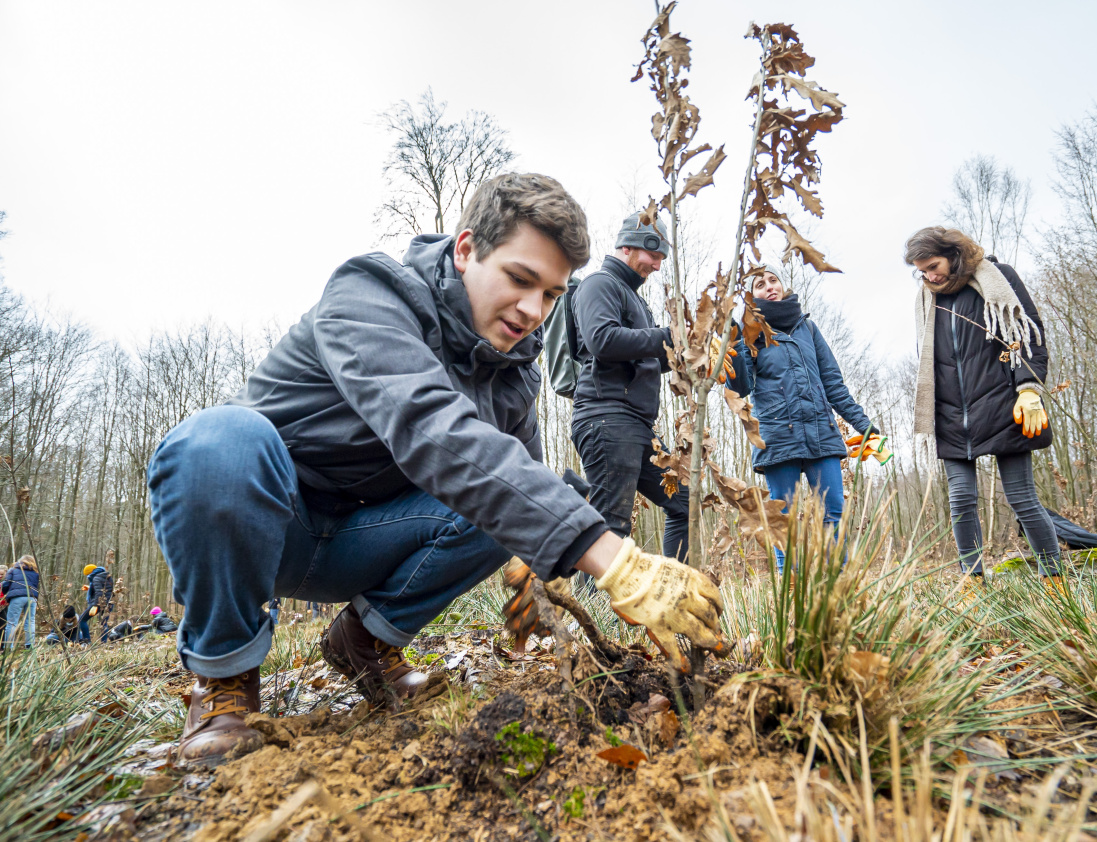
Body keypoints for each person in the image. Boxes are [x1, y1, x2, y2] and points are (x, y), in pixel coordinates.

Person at [147, 173, 726, 766]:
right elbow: (429, 424)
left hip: (365, 544)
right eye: (520, 279)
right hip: (271, 526)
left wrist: (541, 570)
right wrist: (616, 563)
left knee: (515, 501)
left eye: (552, 295)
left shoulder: (513, 373)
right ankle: (224, 681)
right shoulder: (369, 295)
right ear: (467, 249)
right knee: (217, 443)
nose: (534, 311)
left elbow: (526, 481)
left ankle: (364, 643)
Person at [905, 226, 1063, 592]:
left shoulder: (996, 277)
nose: (930, 277)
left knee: (1022, 498)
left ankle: (1054, 580)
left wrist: (1027, 388)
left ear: (953, 254)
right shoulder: (928, 298)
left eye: (933, 266)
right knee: (960, 500)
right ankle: (973, 583)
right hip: (950, 413)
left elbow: (1028, 334)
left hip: (1002, 404)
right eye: (922, 271)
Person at [724, 270, 882, 569]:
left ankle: (836, 585)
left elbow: (833, 383)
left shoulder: (807, 328)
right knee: (782, 519)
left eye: (773, 280)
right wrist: (733, 341)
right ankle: (791, 588)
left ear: (783, 285)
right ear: (752, 296)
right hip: (777, 435)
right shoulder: (748, 332)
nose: (769, 287)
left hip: (821, 431)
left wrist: (862, 423)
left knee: (833, 512)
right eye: (760, 285)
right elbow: (740, 387)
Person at [570, 214, 690, 562]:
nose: (657, 265)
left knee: (685, 503)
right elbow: (602, 340)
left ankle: (674, 588)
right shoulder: (599, 285)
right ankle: (589, 600)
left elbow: (645, 357)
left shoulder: (636, 300)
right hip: (607, 417)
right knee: (610, 525)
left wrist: (686, 355)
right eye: (654, 255)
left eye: (662, 258)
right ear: (628, 246)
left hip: (639, 426)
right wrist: (667, 336)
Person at [2, 555, 39, 648]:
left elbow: (5, 584)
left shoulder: (13, 570)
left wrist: (7, 595)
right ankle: (29, 646)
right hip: (32, 597)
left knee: (12, 623)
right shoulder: (36, 572)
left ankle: (8, 647)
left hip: (17, 597)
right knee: (30, 621)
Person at [79, 559, 115, 643]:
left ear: (90, 572)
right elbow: (105, 589)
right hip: (109, 603)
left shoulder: (96, 578)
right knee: (103, 623)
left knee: (81, 620)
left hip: (98, 603)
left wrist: (95, 605)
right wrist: (89, 588)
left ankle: (87, 641)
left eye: (87, 574)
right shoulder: (105, 576)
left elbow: (99, 593)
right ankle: (103, 643)